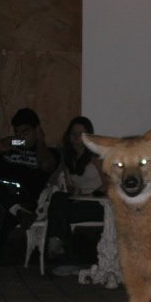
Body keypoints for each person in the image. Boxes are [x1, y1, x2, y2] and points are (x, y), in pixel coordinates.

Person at [0, 108, 58, 281]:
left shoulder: (47, 153)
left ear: (37, 130)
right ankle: (15, 209)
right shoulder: (10, 148)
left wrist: (40, 141)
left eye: (26, 132)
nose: (21, 137)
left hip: (23, 198)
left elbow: (47, 166)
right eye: (17, 132)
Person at [47, 116, 107, 272]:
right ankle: (64, 254)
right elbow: (69, 186)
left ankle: (61, 250)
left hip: (99, 204)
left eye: (80, 134)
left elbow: (111, 182)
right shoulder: (69, 159)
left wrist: (95, 193)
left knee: (62, 212)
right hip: (80, 202)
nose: (76, 138)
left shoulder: (96, 158)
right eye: (73, 134)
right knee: (59, 199)